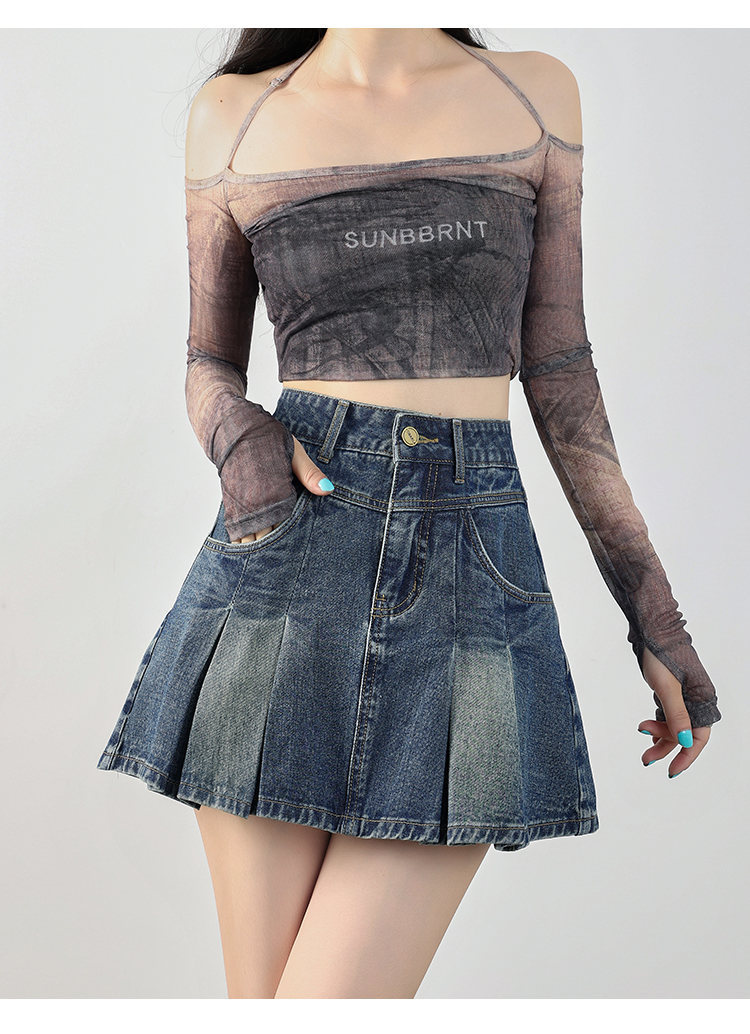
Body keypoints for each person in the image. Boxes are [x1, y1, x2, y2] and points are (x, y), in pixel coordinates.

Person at [97, 27, 720, 999]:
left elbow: (560, 371)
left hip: (472, 577)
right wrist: (238, 436)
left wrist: (658, 618)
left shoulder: (536, 96)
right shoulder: (233, 111)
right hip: (285, 559)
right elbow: (207, 363)